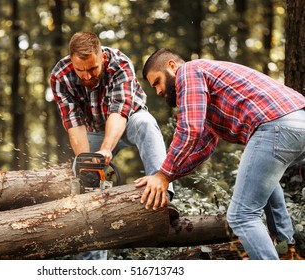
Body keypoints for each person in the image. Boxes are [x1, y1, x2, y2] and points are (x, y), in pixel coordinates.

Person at [135, 48, 305, 260]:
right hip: (297, 121)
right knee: (265, 183)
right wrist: (168, 175)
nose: (158, 91)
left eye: (157, 82)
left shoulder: (189, 71)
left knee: (241, 217)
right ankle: (286, 251)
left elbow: (190, 129)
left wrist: (162, 175)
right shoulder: (206, 93)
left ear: (171, 65)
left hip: (275, 125)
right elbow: (202, 148)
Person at [50, 33, 174, 260]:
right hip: (92, 130)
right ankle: (92, 263)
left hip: (128, 120)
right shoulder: (60, 75)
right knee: (88, 187)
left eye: (93, 69)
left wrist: (106, 149)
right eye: (81, 71)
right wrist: (88, 163)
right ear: (71, 61)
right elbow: (73, 123)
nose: (87, 76)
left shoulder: (120, 63)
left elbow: (119, 111)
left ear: (102, 58)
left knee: (146, 123)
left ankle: (163, 194)